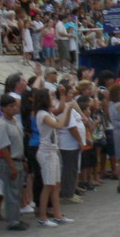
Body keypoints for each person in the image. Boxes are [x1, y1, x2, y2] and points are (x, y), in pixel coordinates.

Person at [33, 87, 75, 227]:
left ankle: (57, 214)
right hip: (46, 152)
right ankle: (43, 217)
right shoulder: (42, 114)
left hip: (52, 151)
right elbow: (58, 125)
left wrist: (67, 110)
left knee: (56, 185)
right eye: (50, 97)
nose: (52, 99)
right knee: (48, 185)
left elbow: (65, 123)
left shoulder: (48, 112)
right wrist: (66, 109)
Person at [0, 94, 27, 230]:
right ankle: (12, 221)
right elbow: (3, 146)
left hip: (18, 158)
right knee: (11, 192)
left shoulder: (15, 121)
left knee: (17, 190)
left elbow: (19, 141)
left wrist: (23, 158)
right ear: (3, 108)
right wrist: (11, 165)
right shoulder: (2, 124)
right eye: (10, 107)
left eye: (15, 106)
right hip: (9, 160)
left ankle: (16, 217)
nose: (14, 109)